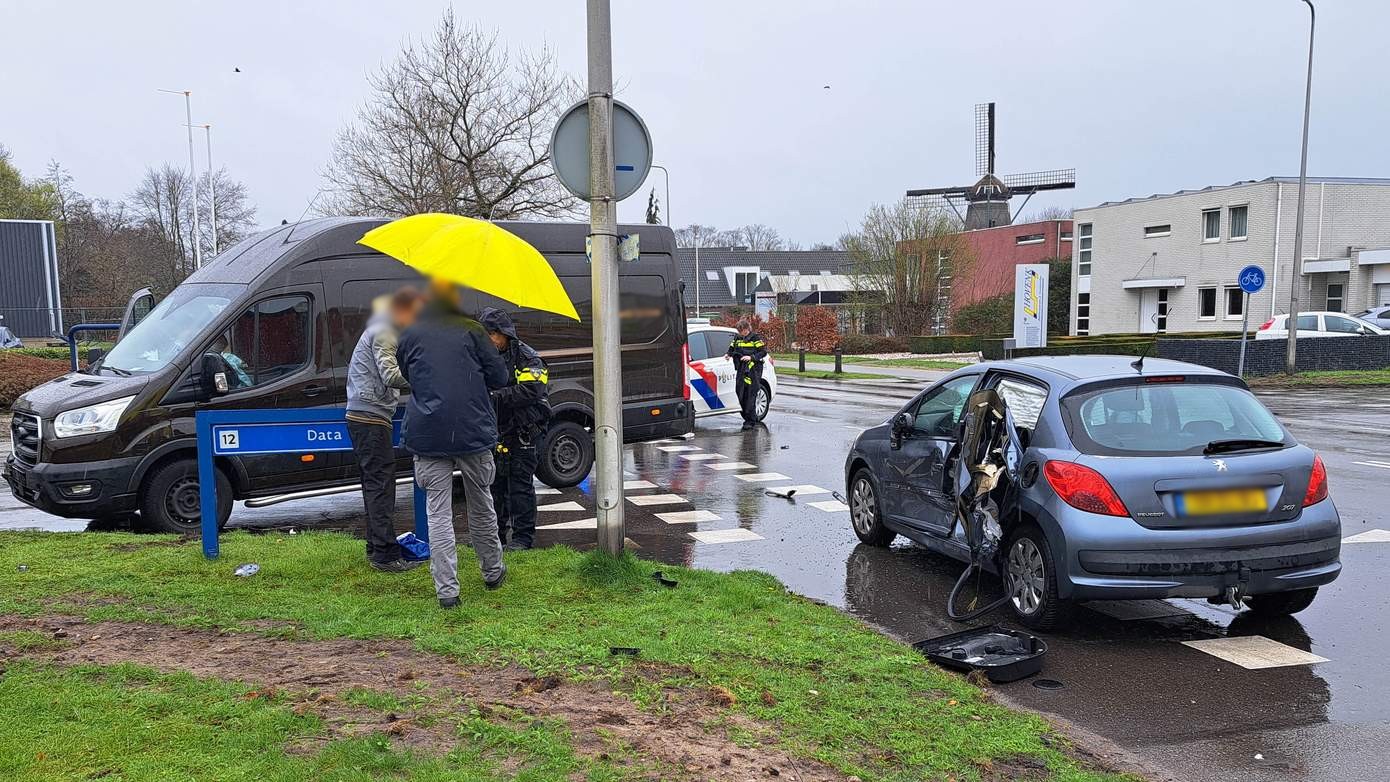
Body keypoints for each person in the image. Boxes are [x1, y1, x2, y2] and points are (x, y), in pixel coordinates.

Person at [397, 280, 511, 608]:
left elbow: (409, 373)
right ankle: (492, 571)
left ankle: (447, 591)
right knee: (480, 502)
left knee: (438, 512)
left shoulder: (411, 333)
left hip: (427, 433)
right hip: (472, 430)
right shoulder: (473, 331)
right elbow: (500, 377)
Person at [345, 287, 423, 572]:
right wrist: (425, 381)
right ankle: (386, 556)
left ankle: (375, 547)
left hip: (364, 413)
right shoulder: (386, 330)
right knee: (381, 486)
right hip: (370, 416)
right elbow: (390, 374)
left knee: (373, 485)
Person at [478, 307, 551, 552]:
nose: (488, 341)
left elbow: (533, 390)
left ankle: (523, 538)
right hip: (497, 430)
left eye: (491, 336)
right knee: (496, 485)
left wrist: (495, 396)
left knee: (519, 486)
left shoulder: (527, 357)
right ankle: (496, 536)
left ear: (503, 334)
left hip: (524, 429)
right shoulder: (486, 356)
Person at [727, 319, 767, 429]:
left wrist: (751, 357)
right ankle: (747, 417)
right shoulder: (738, 337)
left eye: (742, 331)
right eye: (739, 331)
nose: (741, 333)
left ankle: (750, 421)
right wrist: (729, 354)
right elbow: (732, 347)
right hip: (742, 368)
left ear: (747, 329)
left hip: (754, 369)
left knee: (751, 394)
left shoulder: (755, 338)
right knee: (740, 393)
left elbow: (763, 352)